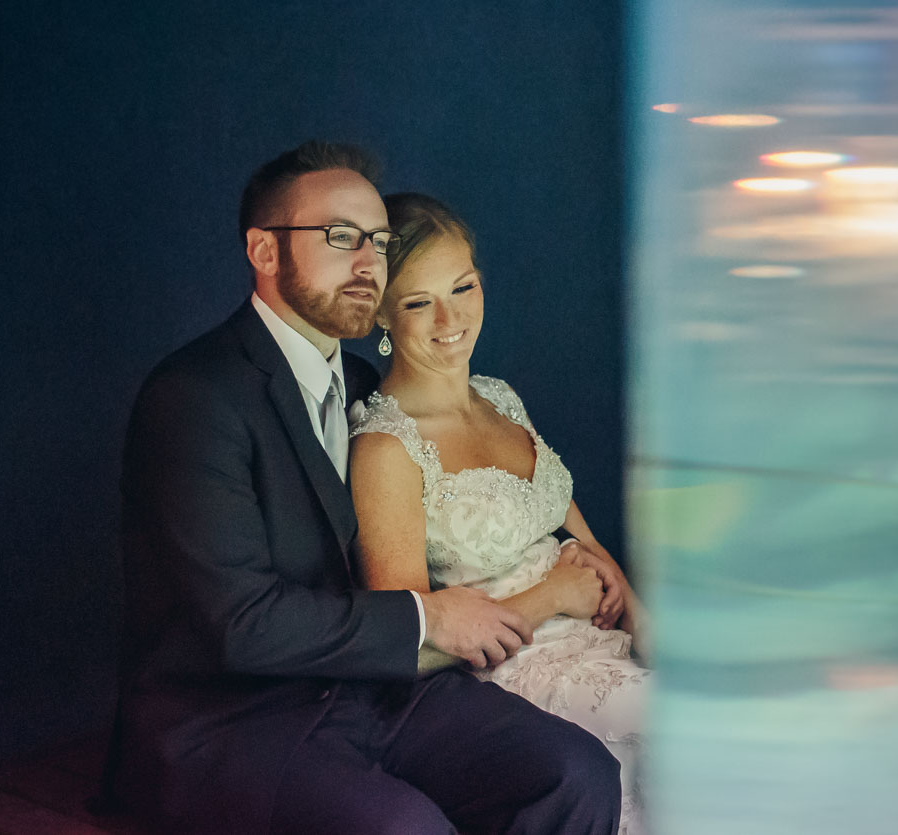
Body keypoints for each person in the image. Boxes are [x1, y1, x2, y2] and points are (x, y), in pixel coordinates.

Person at [104, 142, 621, 835]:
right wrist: (428, 619)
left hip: (370, 691)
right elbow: (241, 624)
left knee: (575, 770)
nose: (367, 262)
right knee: (405, 829)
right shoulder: (193, 398)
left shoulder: (358, 383)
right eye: (339, 237)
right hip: (229, 723)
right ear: (263, 251)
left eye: (377, 241)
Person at [348, 192, 652, 834]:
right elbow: (409, 645)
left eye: (463, 287)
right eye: (417, 301)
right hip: (504, 674)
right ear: (380, 313)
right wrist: (554, 594)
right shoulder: (386, 448)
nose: (449, 318)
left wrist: (615, 580)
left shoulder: (500, 398)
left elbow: (552, 503)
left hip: (593, 632)